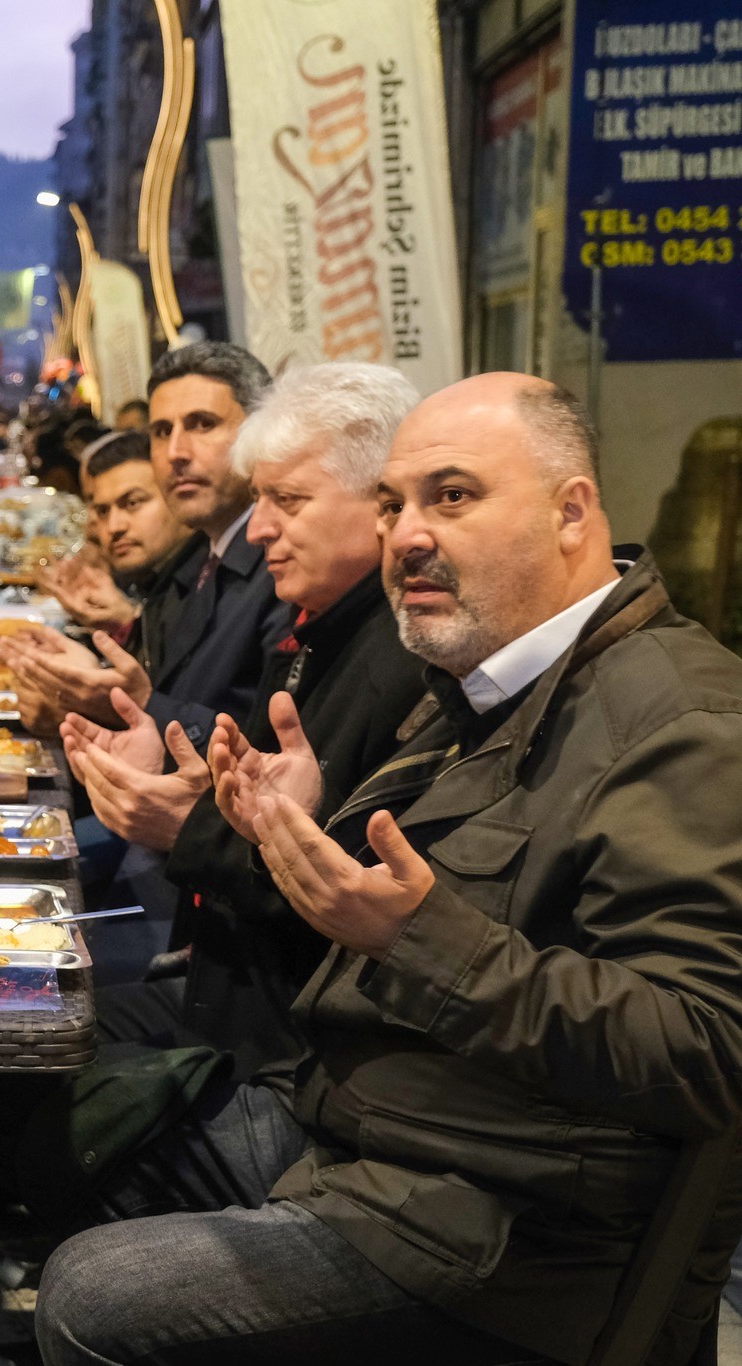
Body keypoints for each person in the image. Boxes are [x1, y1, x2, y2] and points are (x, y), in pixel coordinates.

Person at [37, 375, 742, 1366]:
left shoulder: (679, 720)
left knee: (86, 1293)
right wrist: (294, 821)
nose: (404, 535)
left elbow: (706, 1048)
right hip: (375, 1133)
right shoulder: (484, 679)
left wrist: (418, 937)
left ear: (569, 510)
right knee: (40, 1102)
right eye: (389, 504)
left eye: (450, 496)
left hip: (504, 1237)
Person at [58, 363, 426, 1081]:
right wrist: (173, 759)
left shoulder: (412, 658)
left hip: (293, 1058)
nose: (261, 529)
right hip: (230, 993)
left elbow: (339, 897)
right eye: (261, 499)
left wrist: (193, 820)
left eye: (286, 500)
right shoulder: (320, 621)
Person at [3, 343, 292, 745]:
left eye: (202, 424)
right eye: (161, 431)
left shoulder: (287, 566)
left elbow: (270, 750)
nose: (176, 453)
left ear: (260, 432)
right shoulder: (206, 553)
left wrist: (122, 704)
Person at [32, 432, 191, 644]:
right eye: (103, 510)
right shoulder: (148, 578)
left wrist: (128, 621)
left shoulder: (207, 581)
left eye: (132, 503)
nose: (114, 527)